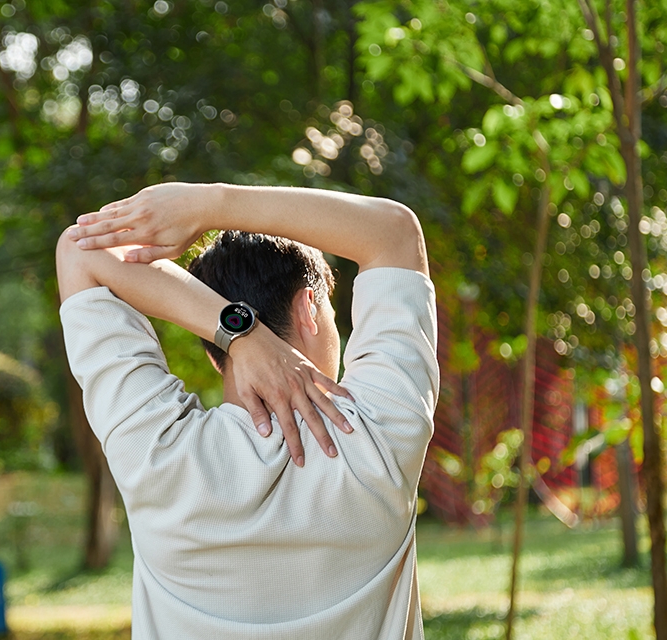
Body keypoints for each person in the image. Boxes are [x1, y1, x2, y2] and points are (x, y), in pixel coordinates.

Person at [56, 183, 439, 639]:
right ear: (309, 310)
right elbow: (395, 233)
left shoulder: (157, 453)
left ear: (209, 352)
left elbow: (80, 251)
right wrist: (212, 203)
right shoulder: (380, 436)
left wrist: (238, 330)